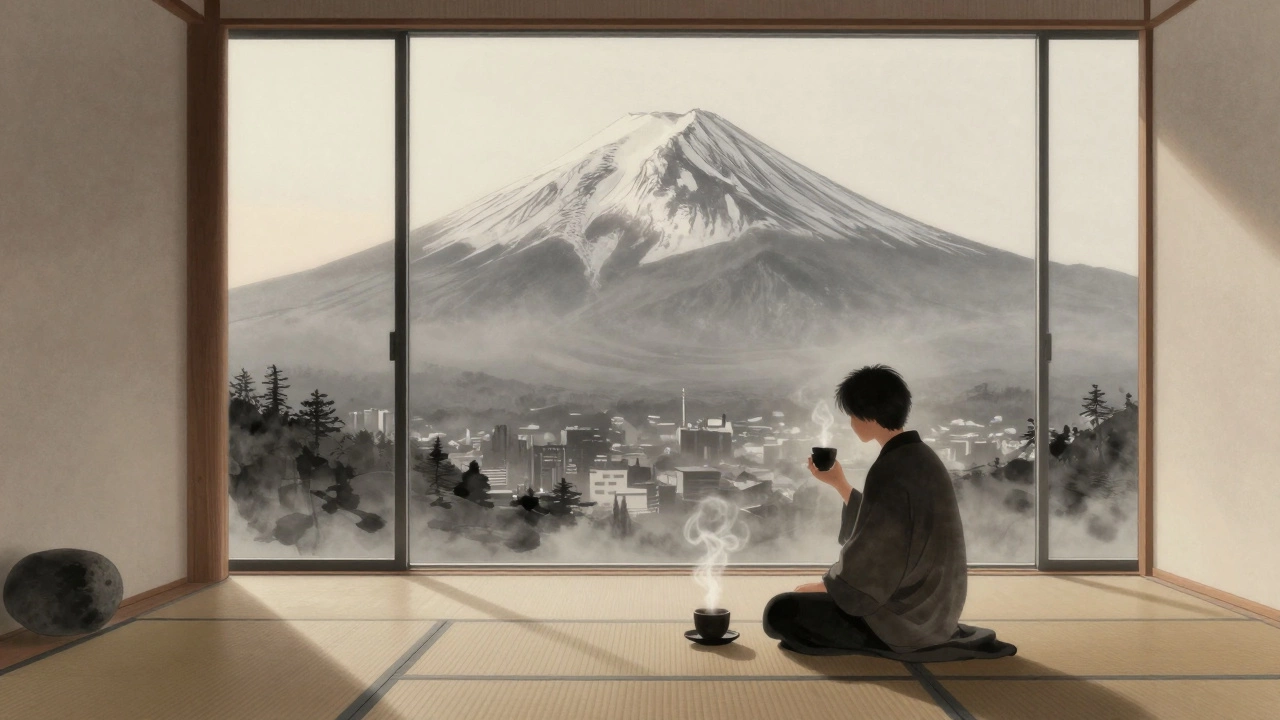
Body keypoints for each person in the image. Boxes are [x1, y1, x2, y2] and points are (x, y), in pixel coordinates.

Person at [762, 365, 973, 657]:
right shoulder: (919, 456)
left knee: (780, 611)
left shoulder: (891, 468)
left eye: (852, 414)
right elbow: (886, 527)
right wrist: (840, 484)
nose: (850, 423)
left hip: (905, 619)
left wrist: (829, 588)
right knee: (795, 606)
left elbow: (876, 556)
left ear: (869, 414)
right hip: (936, 612)